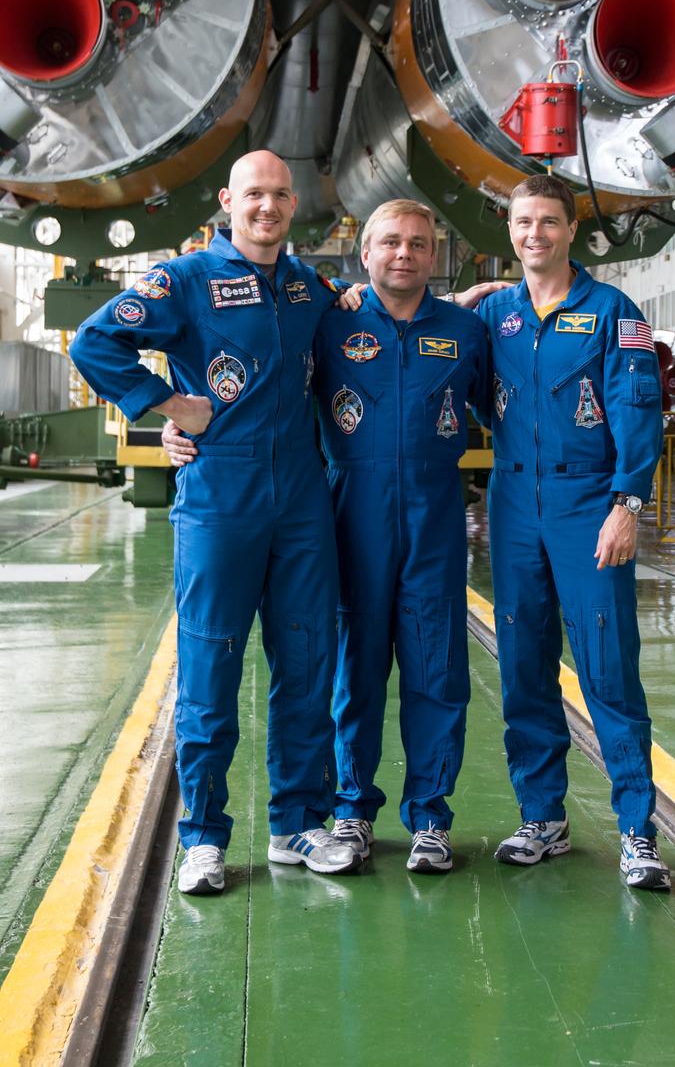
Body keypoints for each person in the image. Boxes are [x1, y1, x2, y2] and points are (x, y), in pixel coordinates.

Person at [165, 199, 493, 874]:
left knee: (437, 668)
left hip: (434, 517)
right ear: (364, 253)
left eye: (419, 244)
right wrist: (173, 419)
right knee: (352, 670)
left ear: (435, 255)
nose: (404, 254)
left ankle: (430, 816)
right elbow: (260, 382)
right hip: (347, 515)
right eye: (390, 242)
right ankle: (350, 808)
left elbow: (504, 403)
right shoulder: (325, 321)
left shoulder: (466, 330)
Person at [70, 150, 362, 895]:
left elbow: (366, 333)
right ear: (228, 200)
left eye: (280, 196)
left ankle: (299, 822)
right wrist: (167, 407)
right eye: (253, 194)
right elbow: (93, 341)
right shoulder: (186, 279)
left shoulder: (308, 289)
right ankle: (202, 835)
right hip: (219, 502)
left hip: (300, 502)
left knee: (306, 666)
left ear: (294, 205)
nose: (267, 207)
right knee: (209, 672)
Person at [477, 173, 670, 890]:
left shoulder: (614, 312)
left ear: (569, 230)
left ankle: (635, 831)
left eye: (548, 222)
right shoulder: (493, 315)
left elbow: (637, 408)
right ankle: (541, 817)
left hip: (587, 502)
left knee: (607, 667)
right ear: (511, 231)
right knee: (523, 664)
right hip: (512, 504)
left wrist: (628, 504)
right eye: (524, 222)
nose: (535, 234)